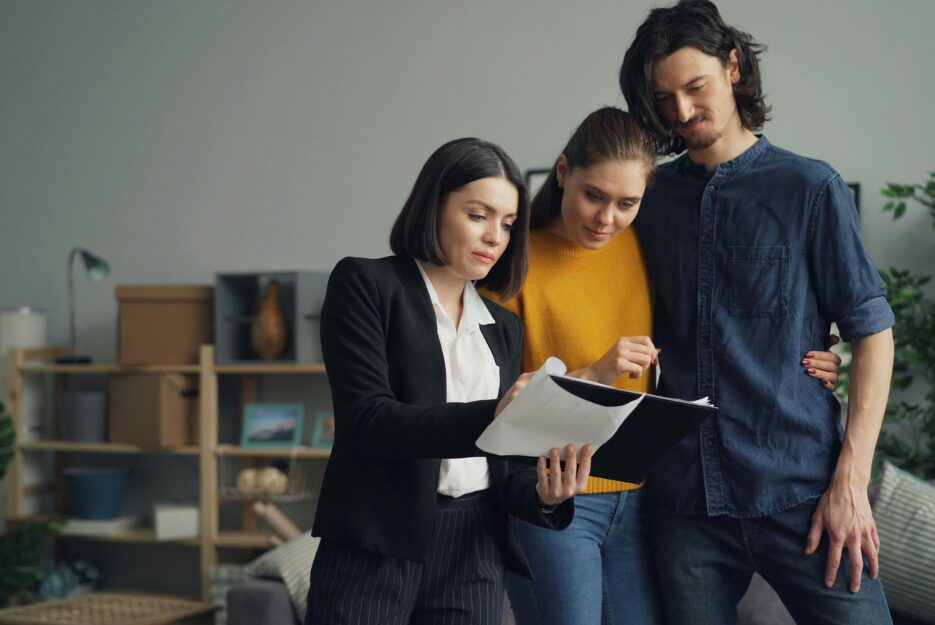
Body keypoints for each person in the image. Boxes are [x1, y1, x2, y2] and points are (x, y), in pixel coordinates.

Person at [486, 107, 843, 625]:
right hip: (552, 496)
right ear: (563, 172)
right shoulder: (513, 265)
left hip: (637, 500)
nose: (606, 218)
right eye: (594, 196)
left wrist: (814, 356)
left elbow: (716, 320)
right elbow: (493, 410)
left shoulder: (640, 244)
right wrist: (594, 373)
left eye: (626, 203)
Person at [619, 2, 896, 623]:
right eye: (665, 100)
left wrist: (851, 482)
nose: (683, 113)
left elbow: (871, 329)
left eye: (696, 88)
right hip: (686, 499)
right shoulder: (650, 200)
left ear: (734, 66)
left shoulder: (810, 188)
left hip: (799, 489)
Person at [306, 137, 594, 625]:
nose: (494, 238)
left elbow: (506, 469)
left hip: (475, 544)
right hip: (378, 539)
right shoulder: (365, 285)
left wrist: (547, 494)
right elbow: (368, 420)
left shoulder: (502, 326)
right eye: (478, 215)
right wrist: (496, 413)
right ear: (433, 205)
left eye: (506, 224)